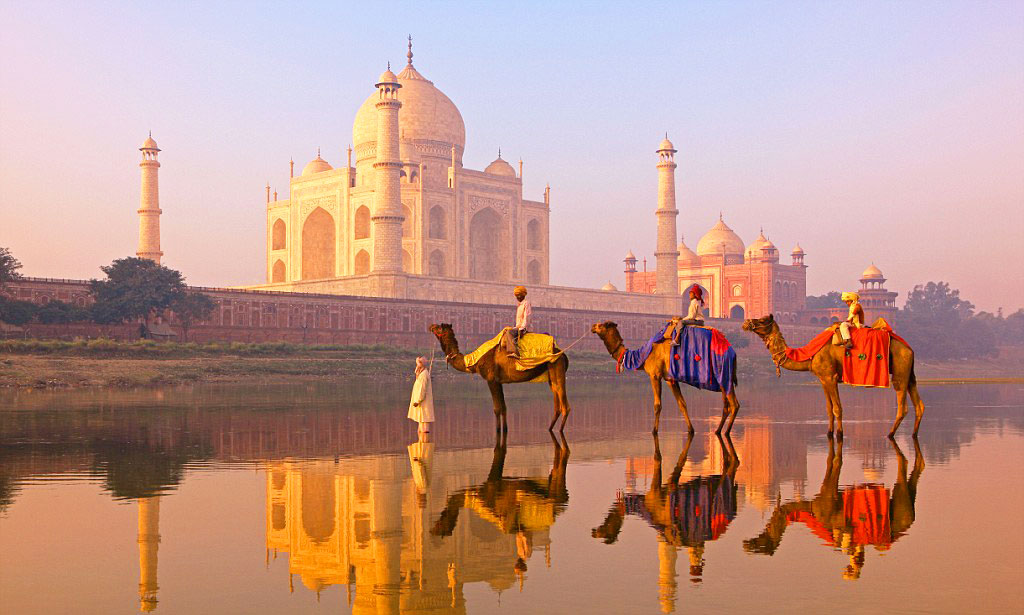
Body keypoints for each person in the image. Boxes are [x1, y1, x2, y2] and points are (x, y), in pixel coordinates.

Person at [502, 285, 532, 358]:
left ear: (523, 295)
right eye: (517, 296)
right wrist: (515, 327)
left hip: (524, 328)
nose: (518, 297)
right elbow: (519, 320)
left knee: (509, 333)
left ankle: (515, 352)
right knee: (507, 331)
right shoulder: (519, 305)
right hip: (519, 327)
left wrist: (523, 328)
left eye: (519, 295)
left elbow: (527, 316)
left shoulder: (526, 303)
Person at [408, 356, 435, 434]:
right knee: (421, 422)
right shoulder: (421, 373)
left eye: (418, 364)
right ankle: (421, 443)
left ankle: (425, 443)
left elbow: (422, 390)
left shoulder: (424, 375)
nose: (417, 366)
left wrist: (418, 401)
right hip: (421, 403)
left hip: (423, 402)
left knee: (424, 424)